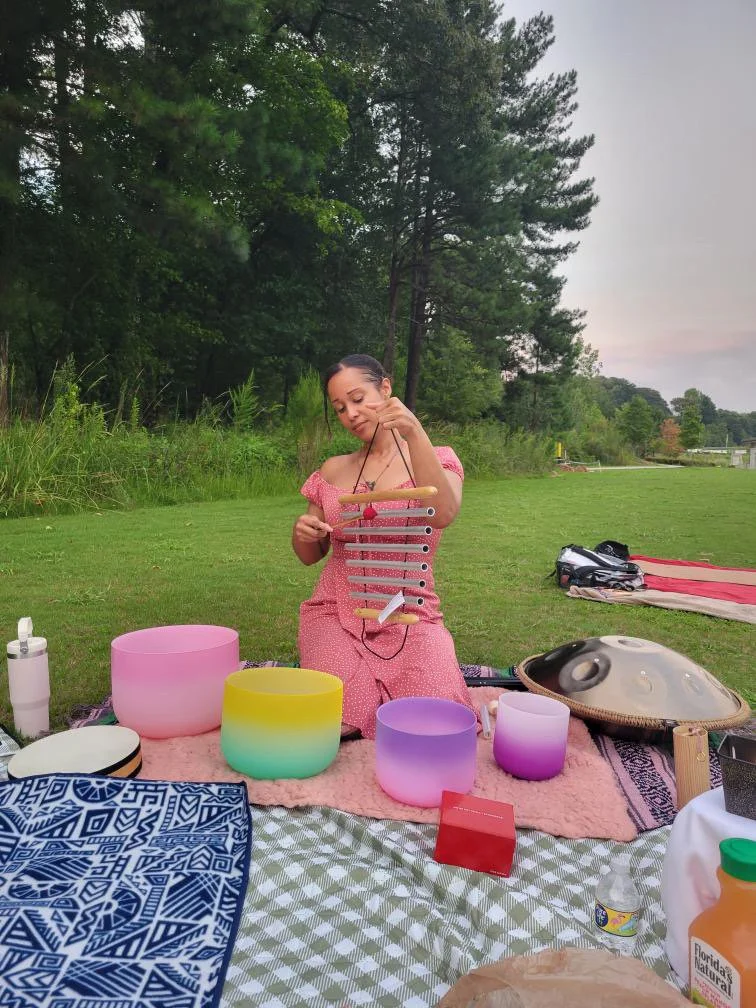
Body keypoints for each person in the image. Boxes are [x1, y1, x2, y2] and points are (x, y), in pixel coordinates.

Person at [291, 353, 475, 739]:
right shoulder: (332, 469)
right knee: (334, 719)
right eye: (340, 408)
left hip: (409, 613)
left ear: (386, 388)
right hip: (335, 610)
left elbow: (443, 513)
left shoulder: (437, 458)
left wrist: (415, 433)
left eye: (358, 399)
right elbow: (310, 556)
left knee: (435, 722)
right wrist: (304, 533)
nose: (351, 414)